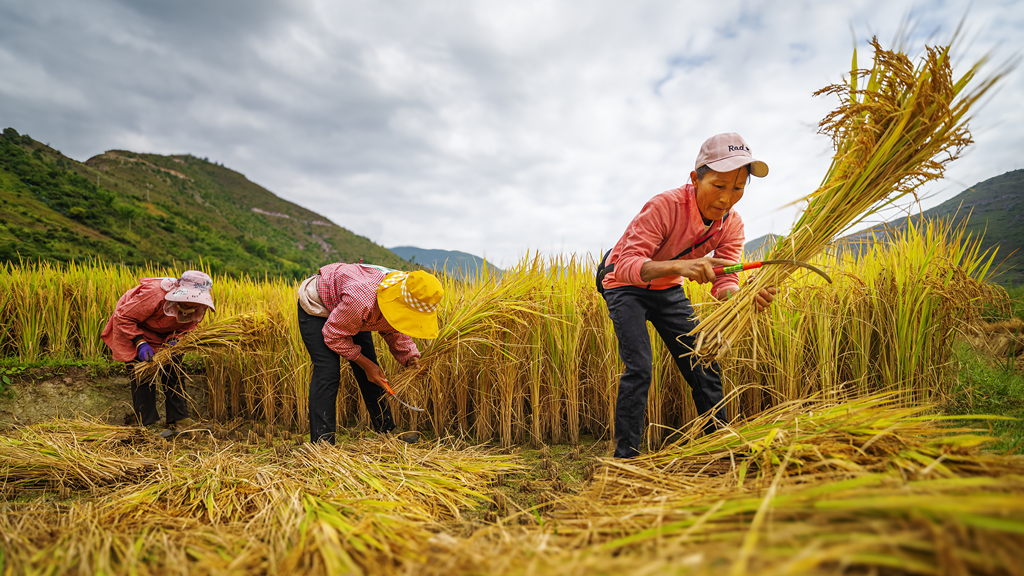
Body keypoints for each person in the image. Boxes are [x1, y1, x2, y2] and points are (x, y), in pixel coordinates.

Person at [598, 133, 777, 458]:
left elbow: (725, 282)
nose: (727, 198)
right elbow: (626, 265)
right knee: (640, 366)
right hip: (623, 285)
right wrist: (683, 266)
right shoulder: (665, 206)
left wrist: (744, 298)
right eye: (719, 186)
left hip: (666, 289)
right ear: (696, 178)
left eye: (738, 188)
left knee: (702, 359)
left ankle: (719, 446)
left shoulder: (732, 226)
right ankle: (626, 458)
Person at [296, 262, 442, 444]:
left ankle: (387, 429)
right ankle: (322, 444)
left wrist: (410, 357)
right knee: (328, 371)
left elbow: (394, 328)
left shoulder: (404, 293)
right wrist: (366, 364)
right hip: (318, 305)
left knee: (373, 370)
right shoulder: (361, 300)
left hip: (351, 310)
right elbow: (333, 336)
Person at [101, 270, 215, 435]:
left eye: (194, 302)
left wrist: (174, 340)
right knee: (142, 371)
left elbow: (188, 327)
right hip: (134, 329)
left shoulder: (199, 306)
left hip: (164, 335)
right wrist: (140, 343)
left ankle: (180, 420)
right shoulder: (155, 294)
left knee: (175, 367)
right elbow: (124, 317)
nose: (191, 306)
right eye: (187, 301)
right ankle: (148, 425)